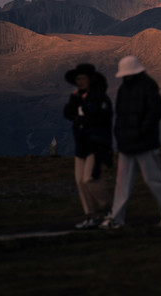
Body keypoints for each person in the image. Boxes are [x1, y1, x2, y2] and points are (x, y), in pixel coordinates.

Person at [100, 55, 161, 228]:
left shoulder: (142, 87)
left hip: (142, 143)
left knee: (151, 180)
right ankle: (117, 218)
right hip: (133, 143)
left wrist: (133, 133)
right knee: (127, 183)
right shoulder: (135, 88)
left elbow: (153, 112)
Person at [63, 63, 113, 229]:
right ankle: (90, 215)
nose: (79, 82)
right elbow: (68, 114)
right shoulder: (78, 97)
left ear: (91, 79)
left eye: (82, 78)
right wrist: (75, 100)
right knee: (80, 181)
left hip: (95, 144)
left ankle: (109, 209)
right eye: (77, 79)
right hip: (82, 145)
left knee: (90, 179)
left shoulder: (99, 98)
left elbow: (101, 119)